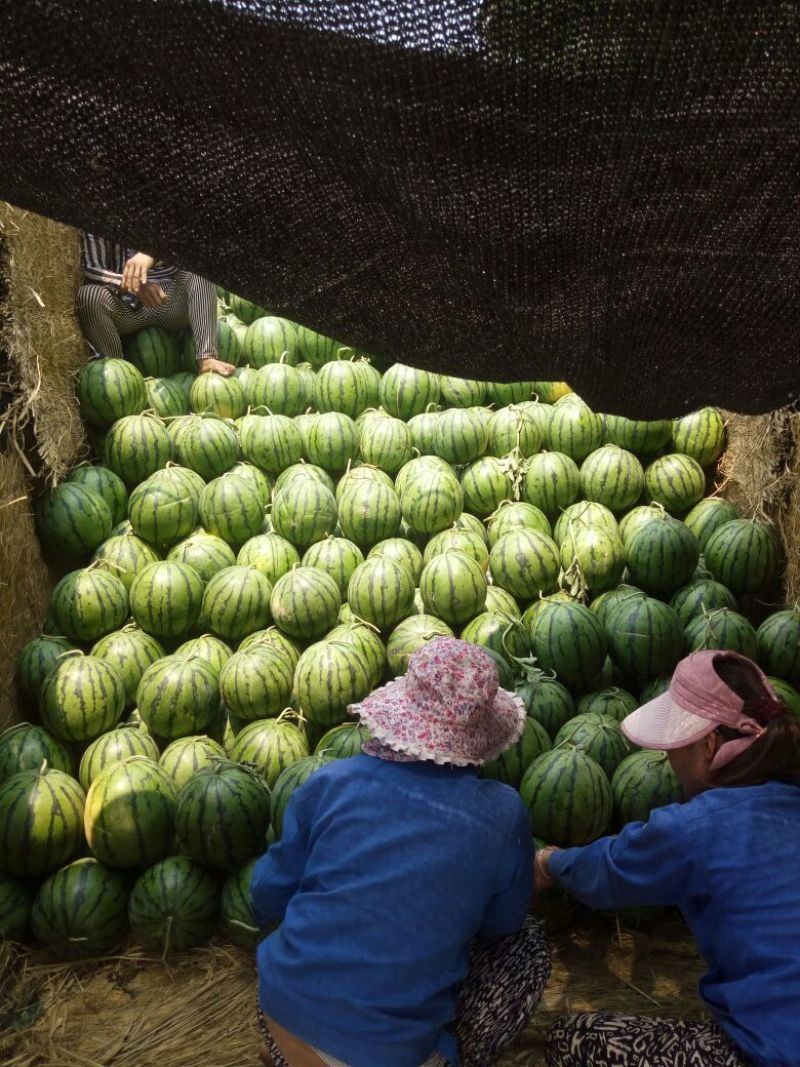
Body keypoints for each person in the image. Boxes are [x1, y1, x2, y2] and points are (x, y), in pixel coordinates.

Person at [250, 637, 552, 1067]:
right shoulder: (503, 813)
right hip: (387, 1054)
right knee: (526, 945)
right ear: (482, 734)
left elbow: (266, 893)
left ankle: (286, 1053)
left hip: (283, 1007)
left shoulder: (330, 783)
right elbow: (502, 923)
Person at [535, 649, 800, 1067]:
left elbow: (610, 871)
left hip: (776, 1051)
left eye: (676, 744)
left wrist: (549, 861)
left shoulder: (697, 827)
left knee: (575, 1039)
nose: (669, 757)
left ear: (709, 744)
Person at [76, 233, 234, 375]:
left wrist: (151, 253)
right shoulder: (97, 217)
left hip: (171, 300)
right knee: (88, 295)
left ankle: (206, 359)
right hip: (127, 307)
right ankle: (119, 376)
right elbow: (91, 270)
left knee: (200, 269)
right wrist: (132, 285)